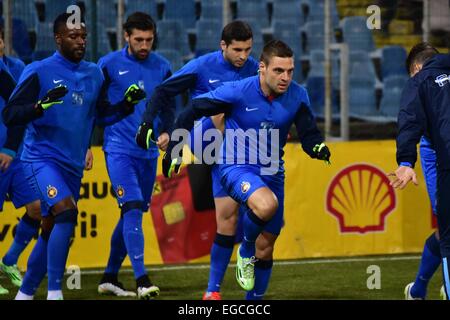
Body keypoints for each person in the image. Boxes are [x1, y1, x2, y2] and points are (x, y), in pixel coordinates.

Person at [161, 40, 331, 299]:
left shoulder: (298, 95)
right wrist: (175, 148)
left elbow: (309, 132)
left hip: (273, 171)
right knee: (263, 208)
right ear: (262, 68)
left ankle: (253, 301)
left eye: (290, 71)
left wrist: (317, 147)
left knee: (267, 246)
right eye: (278, 71)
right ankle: (235, 261)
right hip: (236, 166)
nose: (285, 77)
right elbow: (194, 109)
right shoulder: (238, 91)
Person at [2, 12, 146, 300]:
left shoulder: (94, 73)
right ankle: (55, 292)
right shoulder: (38, 70)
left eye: (83, 36)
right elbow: (11, 113)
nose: (80, 41)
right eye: (73, 36)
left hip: (72, 164)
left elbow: (101, 115)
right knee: (66, 212)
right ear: (58, 39)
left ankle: (26, 292)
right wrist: (40, 106)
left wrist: (126, 105)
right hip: (39, 159)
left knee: (52, 227)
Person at [136, 20, 259, 300]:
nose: (243, 56)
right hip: (208, 143)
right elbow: (163, 91)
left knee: (229, 221)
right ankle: (179, 151)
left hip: (240, 152)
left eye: (248, 50)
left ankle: (215, 290)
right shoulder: (201, 67)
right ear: (223, 46)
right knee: (220, 110)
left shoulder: (254, 68)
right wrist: (147, 123)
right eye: (238, 50)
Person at [96, 12, 173, 299]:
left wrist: (167, 131)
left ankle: (109, 277)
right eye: (138, 39)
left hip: (148, 152)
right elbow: (98, 109)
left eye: (149, 40)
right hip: (118, 149)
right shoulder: (107, 65)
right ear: (126, 36)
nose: (144, 45)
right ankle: (142, 279)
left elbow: (168, 107)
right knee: (131, 207)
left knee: (132, 210)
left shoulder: (163, 66)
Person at [389, 42, 450, 301]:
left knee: (446, 229)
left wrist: (405, 161)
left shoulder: (419, 81)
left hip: (440, 152)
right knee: (445, 225)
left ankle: (419, 289)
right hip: (435, 148)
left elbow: (408, 118)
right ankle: (420, 288)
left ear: (415, 68)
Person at [0, 34, 41, 294]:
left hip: (14, 156)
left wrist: (9, 148)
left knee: (37, 208)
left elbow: (22, 112)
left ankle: (9, 261)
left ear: (3, 42)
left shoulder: (17, 70)